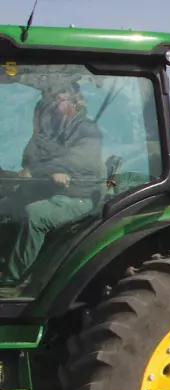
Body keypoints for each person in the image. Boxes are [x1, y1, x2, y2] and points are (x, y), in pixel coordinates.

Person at [2, 84, 102, 284]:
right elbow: (32, 153)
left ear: (75, 102)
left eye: (61, 98)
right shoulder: (52, 128)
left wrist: (46, 168)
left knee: (35, 215)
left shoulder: (87, 129)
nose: (55, 103)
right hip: (50, 191)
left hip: (76, 197)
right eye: (54, 99)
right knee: (5, 207)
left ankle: (13, 279)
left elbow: (77, 160)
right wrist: (41, 168)